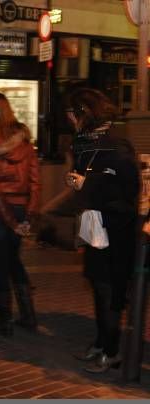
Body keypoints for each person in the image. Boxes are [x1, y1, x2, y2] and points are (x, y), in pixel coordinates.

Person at [65, 88, 139, 373]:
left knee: (111, 291)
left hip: (116, 231)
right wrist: (78, 182)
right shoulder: (85, 145)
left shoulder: (116, 146)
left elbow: (127, 192)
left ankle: (112, 350)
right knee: (98, 287)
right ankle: (100, 343)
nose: (69, 120)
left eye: (72, 114)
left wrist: (87, 184)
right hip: (96, 229)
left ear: (84, 113)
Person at [0, 93, 40, 336]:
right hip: (20, 209)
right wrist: (27, 218)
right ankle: (28, 315)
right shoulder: (24, 142)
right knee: (13, 260)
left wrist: (11, 222)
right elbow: (36, 182)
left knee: (0, 264)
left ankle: (4, 320)